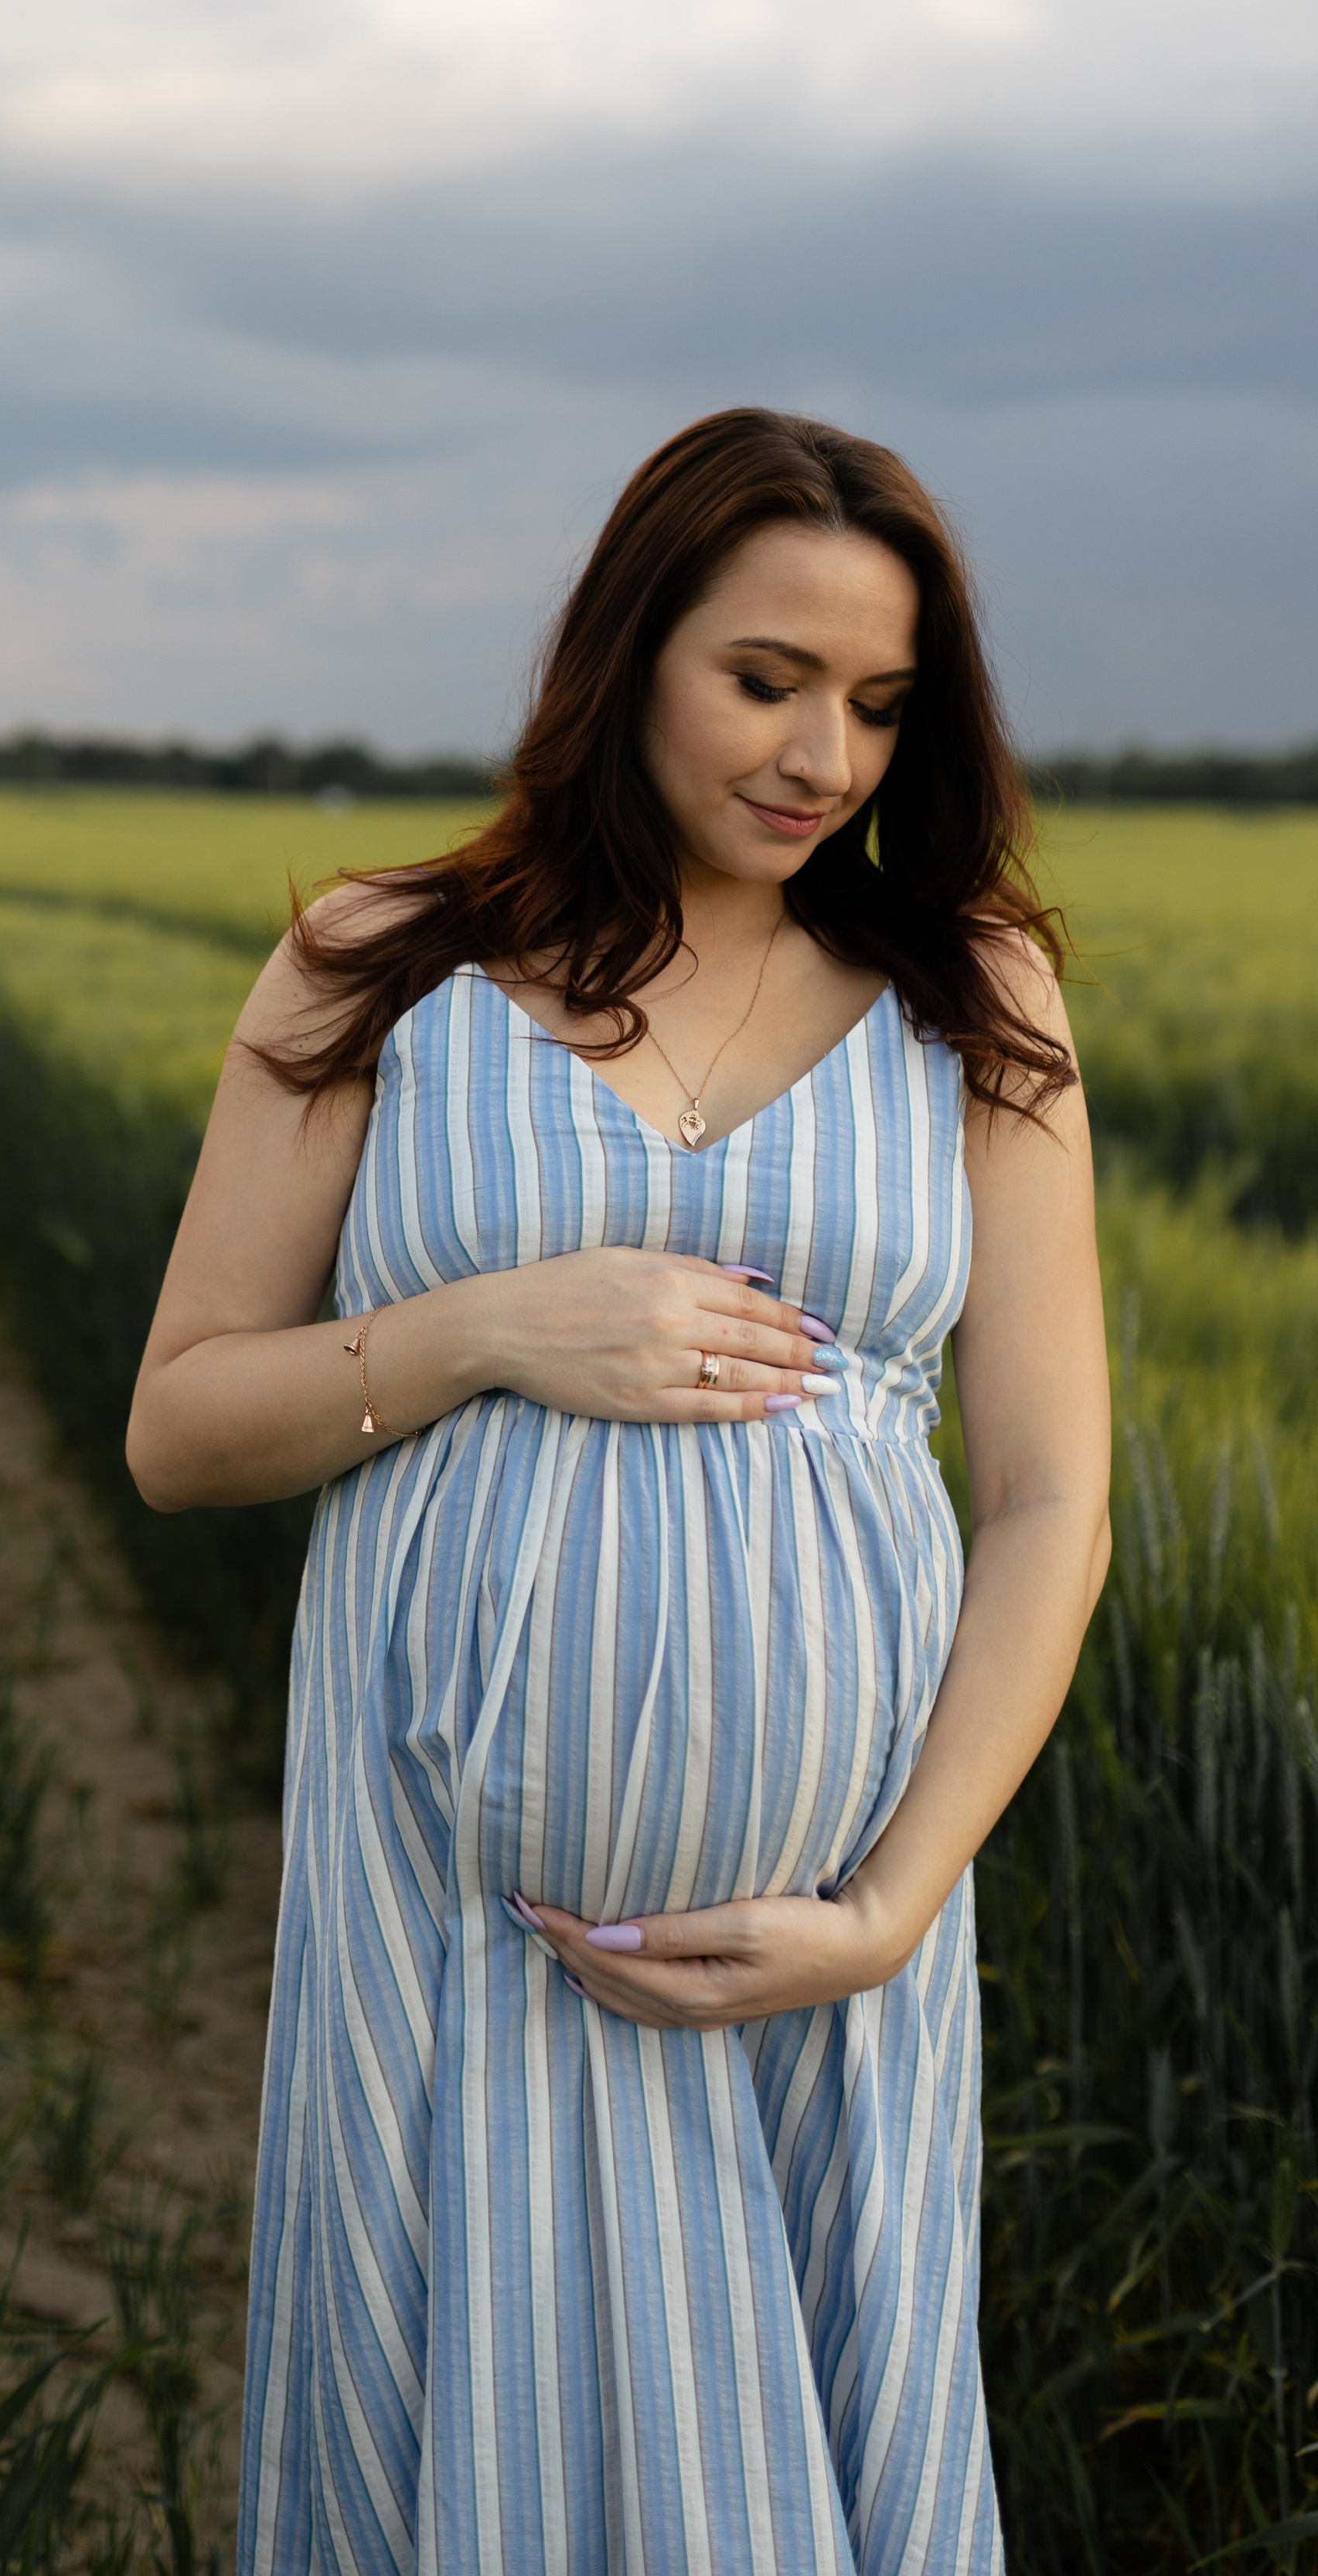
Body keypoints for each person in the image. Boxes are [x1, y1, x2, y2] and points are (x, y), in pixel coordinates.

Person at [125, 409, 1112, 2575]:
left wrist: (891, 1906)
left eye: (880, 704)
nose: (824, 757)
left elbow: (1052, 1497)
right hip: (458, 1946)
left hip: (822, 1968)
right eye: (766, 678)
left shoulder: (969, 996)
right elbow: (179, 1427)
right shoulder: (386, 964)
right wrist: (488, 1328)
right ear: (628, 644)